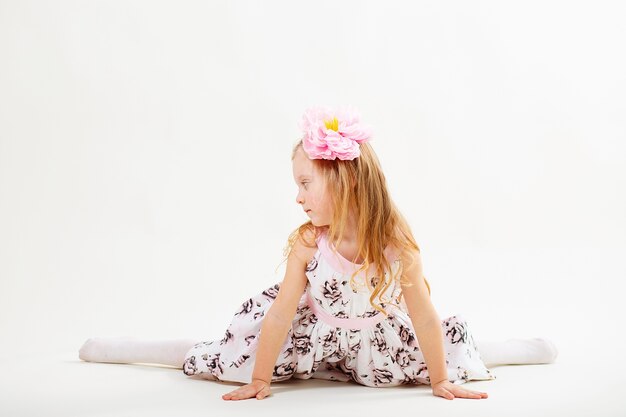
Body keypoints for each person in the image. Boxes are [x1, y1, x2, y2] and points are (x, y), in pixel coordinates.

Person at [78, 106, 558, 401]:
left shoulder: (394, 241)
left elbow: (426, 318)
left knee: (453, 358)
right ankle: (123, 349)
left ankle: (517, 350)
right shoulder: (310, 242)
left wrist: (438, 383)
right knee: (222, 360)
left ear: (346, 180)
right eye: (298, 185)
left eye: (306, 183)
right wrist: (261, 378)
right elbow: (282, 313)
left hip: (374, 345)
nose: (299, 197)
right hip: (312, 338)